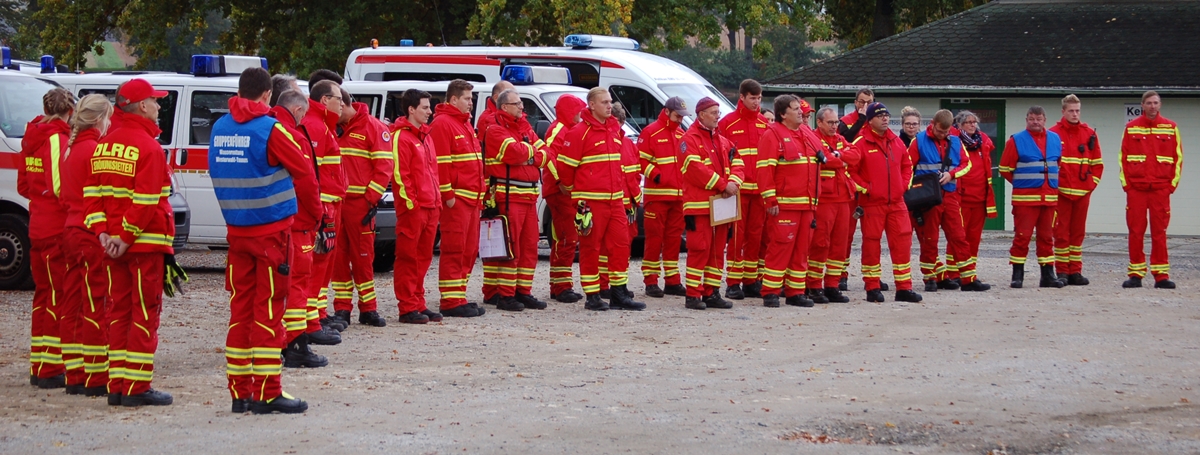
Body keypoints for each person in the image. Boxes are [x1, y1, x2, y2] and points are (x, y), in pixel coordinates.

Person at [209, 67, 315, 414]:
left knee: (240, 311)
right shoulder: (272, 129)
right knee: (270, 312)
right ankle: (269, 392)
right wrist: (313, 218)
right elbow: (304, 173)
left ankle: (240, 393)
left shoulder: (220, 128)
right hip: (271, 234)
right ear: (268, 95)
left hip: (236, 234)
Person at [82, 78, 175, 406]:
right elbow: (146, 200)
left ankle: (117, 386)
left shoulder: (103, 144)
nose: (159, 106)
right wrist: (124, 237)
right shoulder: (148, 146)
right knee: (143, 313)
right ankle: (137, 388)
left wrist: (104, 235)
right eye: (155, 100)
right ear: (141, 106)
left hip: (113, 247)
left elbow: (91, 197)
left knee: (118, 311)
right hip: (144, 246)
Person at [558, 87, 645, 311]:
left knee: (620, 247)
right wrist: (576, 196)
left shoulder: (613, 130)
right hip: (591, 202)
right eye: (604, 102)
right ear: (592, 105)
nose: (609, 106)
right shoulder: (579, 133)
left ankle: (618, 294)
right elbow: (565, 170)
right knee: (590, 248)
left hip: (615, 201)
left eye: (610, 102)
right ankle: (593, 296)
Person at [268, 89, 329, 368]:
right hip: (299, 222)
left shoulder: (266, 127)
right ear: (297, 110)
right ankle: (294, 344)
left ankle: (278, 340)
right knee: (297, 284)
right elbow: (306, 181)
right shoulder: (293, 135)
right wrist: (318, 213)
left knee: (275, 286)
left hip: (271, 223)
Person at [21, 87, 74, 389]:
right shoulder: (57, 138)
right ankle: (52, 366)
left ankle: (40, 362)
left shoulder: (32, 137)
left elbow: (24, 185)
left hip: (37, 225)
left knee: (43, 296)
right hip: (56, 227)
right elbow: (60, 187)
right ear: (69, 112)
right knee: (58, 296)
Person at [60, 94, 112, 396]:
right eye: (107, 118)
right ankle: (95, 374)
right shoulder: (93, 149)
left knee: (73, 304)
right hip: (91, 233)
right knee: (96, 304)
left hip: (71, 231)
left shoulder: (70, 149)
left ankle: (75, 371)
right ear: (97, 120)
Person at [481, 89, 550, 311]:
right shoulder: (495, 130)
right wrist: (531, 154)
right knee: (512, 247)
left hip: (528, 196)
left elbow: (546, 155)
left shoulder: (525, 128)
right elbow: (514, 152)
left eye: (521, 103)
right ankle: (506, 295)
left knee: (530, 247)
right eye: (517, 103)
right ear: (504, 107)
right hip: (509, 197)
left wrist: (528, 154)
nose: (522, 107)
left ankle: (523, 291)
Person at [331, 88, 392, 327]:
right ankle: (341, 309)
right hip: (337, 204)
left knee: (363, 259)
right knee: (337, 258)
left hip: (360, 206)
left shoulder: (374, 128)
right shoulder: (334, 128)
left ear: (346, 105)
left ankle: (368, 309)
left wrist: (370, 198)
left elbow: (384, 166)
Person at [848, 102, 920, 303]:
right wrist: (867, 189)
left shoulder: (896, 141)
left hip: (897, 203)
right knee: (871, 244)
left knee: (902, 243)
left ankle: (904, 287)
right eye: (880, 116)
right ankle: (872, 287)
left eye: (887, 115)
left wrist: (903, 185)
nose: (885, 118)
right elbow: (849, 171)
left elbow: (907, 166)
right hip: (872, 204)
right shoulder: (860, 143)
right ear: (870, 120)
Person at [391, 89, 453, 322]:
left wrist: (436, 203)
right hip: (414, 210)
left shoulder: (425, 137)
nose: (430, 112)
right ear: (411, 109)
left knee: (423, 258)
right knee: (408, 258)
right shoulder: (402, 137)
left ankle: (418, 301)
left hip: (430, 207)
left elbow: (433, 173)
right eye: (425, 107)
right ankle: (407, 307)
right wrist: (412, 206)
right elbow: (400, 176)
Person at [679, 97, 743, 310]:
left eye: (718, 112)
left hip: (721, 205)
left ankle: (711, 291)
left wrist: (734, 182)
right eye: (714, 112)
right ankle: (693, 295)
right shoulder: (690, 139)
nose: (718, 116)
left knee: (717, 251)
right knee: (700, 249)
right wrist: (724, 185)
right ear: (701, 115)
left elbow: (738, 162)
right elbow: (696, 170)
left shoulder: (723, 141)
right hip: (699, 205)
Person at [757, 95, 821, 308]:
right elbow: (765, 171)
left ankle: (796, 292)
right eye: (795, 109)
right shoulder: (772, 135)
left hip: (807, 205)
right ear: (783, 114)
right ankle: (771, 292)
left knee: (802, 251)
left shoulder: (806, 134)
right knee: (780, 248)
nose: (800, 112)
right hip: (784, 205)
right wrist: (770, 200)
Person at [431, 79, 487, 318]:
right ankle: (451, 300)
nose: (470, 104)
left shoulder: (464, 124)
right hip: (458, 200)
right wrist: (449, 195)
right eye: (467, 99)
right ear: (453, 99)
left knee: (469, 249)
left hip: (471, 199)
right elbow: (440, 164)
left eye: (471, 99)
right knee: (455, 248)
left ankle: (459, 295)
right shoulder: (443, 124)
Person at [1120, 90, 1182, 289]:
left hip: (1160, 189)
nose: (1152, 106)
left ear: (1160, 104)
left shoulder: (1171, 128)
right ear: (1142, 105)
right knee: (1135, 231)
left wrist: (1171, 186)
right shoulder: (1131, 128)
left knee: (1159, 232)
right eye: (1149, 103)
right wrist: (1127, 186)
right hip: (1136, 189)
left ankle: (1161, 274)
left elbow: (1178, 158)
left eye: (1155, 102)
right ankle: (1136, 274)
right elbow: (1123, 157)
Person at [301, 80, 347, 340]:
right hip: (323, 205)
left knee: (324, 265)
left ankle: (317, 314)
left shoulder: (326, 126)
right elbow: (311, 175)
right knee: (316, 265)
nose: (342, 103)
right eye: (337, 98)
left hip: (331, 203)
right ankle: (310, 323)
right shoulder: (316, 126)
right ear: (324, 100)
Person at [999, 106, 1065, 289]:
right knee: (1022, 236)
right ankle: (1017, 275)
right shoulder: (1016, 140)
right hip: (1025, 200)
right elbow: (1005, 169)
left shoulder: (1055, 139)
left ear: (1045, 119)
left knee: (1046, 237)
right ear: (1026, 119)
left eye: (1039, 118)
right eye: (1031, 119)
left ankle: (1048, 275)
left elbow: (1056, 164)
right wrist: (1024, 184)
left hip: (1049, 198)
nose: (1035, 122)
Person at [908, 109, 972, 292]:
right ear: (933, 124)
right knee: (930, 238)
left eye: (946, 132)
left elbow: (966, 164)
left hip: (949, 194)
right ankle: (930, 278)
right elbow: (906, 167)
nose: (942, 135)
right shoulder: (918, 141)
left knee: (958, 236)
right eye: (939, 131)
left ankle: (968, 278)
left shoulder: (956, 141)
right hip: (927, 198)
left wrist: (951, 174)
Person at [718, 79, 769, 300]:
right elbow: (719, 156)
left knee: (755, 237)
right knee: (736, 238)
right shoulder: (727, 123)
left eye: (759, 98)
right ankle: (733, 283)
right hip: (736, 191)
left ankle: (751, 281)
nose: (756, 102)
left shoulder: (764, 125)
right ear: (742, 97)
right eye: (752, 98)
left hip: (759, 192)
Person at [638, 96, 688, 298]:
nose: (680, 120)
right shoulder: (650, 132)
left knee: (674, 240)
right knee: (654, 240)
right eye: (677, 115)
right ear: (666, 111)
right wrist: (656, 175)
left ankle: (672, 280)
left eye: (682, 117)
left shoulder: (680, 134)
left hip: (677, 198)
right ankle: (650, 281)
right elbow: (640, 160)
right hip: (657, 197)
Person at [1050, 94, 1103, 286]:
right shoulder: (1053, 134)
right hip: (1061, 192)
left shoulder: (1089, 133)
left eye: (1077, 110)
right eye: (1071, 110)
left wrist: (1091, 185)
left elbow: (1097, 164)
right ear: (1063, 111)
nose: (1075, 114)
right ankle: (1062, 271)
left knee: (1078, 233)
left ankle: (1076, 271)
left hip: (1082, 192)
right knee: (1061, 232)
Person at [806, 106, 856, 304]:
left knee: (839, 246)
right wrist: (839, 158)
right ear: (819, 122)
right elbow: (825, 161)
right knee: (820, 244)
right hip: (824, 199)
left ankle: (832, 285)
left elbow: (856, 156)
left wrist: (838, 156)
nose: (835, 126)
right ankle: (814, 286)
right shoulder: (813, 139)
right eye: (831, 122)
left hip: (843, 198)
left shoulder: (840, 140)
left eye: (837, 122)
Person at [542, 95, 588, 303]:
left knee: (567, 238)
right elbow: (549, 155)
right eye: (579, 110)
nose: (581, 115)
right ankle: (561, 286)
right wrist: (561, 181)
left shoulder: (565, 128)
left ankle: (561, 284)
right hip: (560, 191)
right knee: (567, 237)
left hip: (565, 190)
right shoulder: (559, 128)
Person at [595, 103, 643, 300]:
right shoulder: (608, 143)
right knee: (606, 248)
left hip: (628, 203)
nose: (620, 127)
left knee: (623, 247)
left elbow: (635, 172)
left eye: (622, 123)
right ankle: (604, 284)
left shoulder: (628, 144)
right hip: (613, 202)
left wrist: (635, 199)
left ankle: (617, 284)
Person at [953, 110, 996, 292]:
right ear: (960, 125)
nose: (972, 125)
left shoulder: (982, 141)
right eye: (968, 122)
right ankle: (953, 274)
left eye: (974, 122)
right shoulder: (954, 141)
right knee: (958, 237)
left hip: (980, 198)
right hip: (961, 197)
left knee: (974, 238)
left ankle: (970, 273)